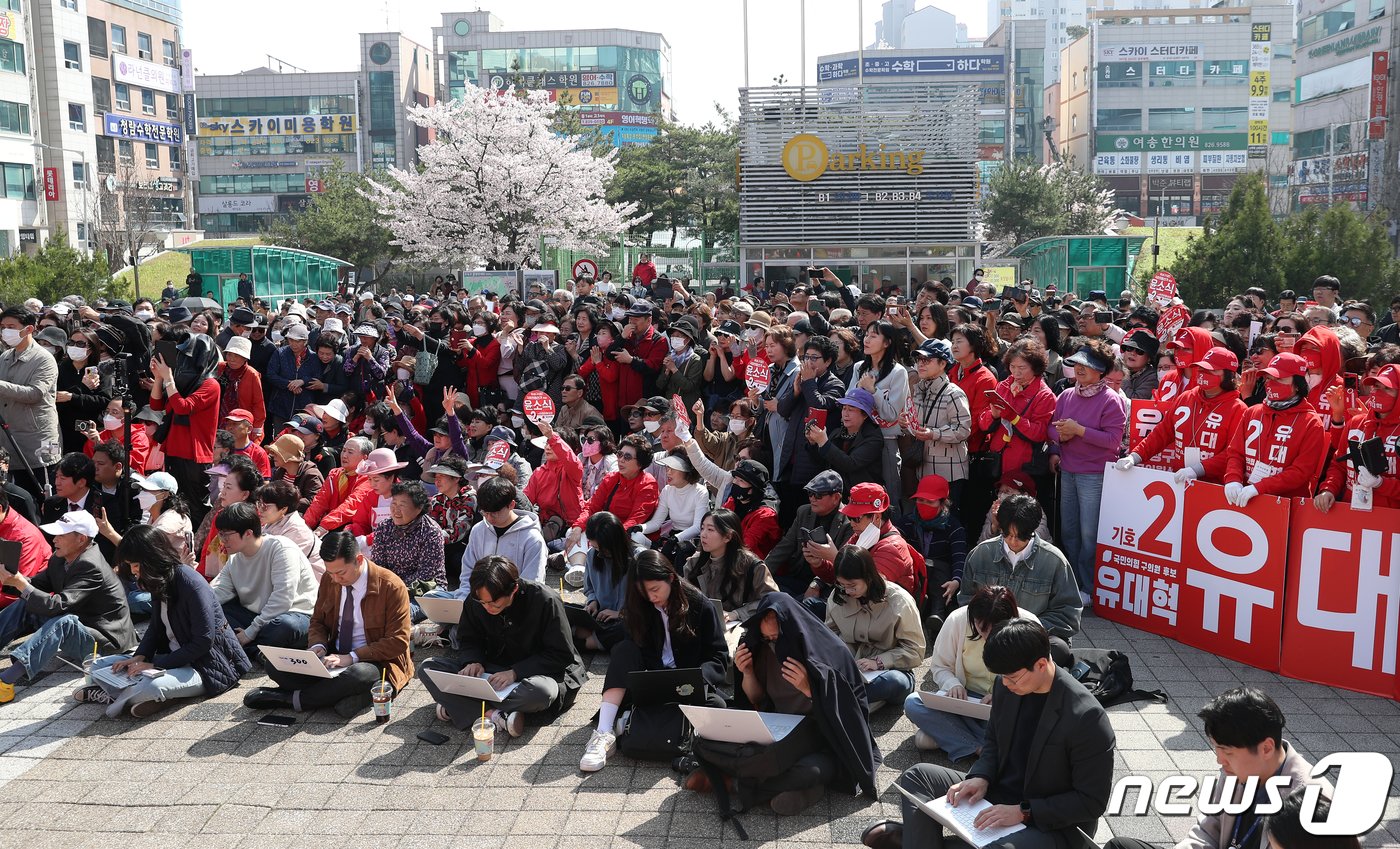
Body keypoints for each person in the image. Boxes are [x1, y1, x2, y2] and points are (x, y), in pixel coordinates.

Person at [862, 619, 1115, 849]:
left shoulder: (1086, 717)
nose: (1005, 684)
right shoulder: (1006, 685)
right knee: (918, 777)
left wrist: (1023, 811)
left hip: (1051, 824)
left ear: (1041, 664)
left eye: (1013, 677)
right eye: (1002, 677)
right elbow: (993, 742)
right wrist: (981, 776)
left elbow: (1091, 801)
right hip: (998, 791)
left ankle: (913, 841)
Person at [690, 593, 879, 816]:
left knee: (810, 771)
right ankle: (796, 791)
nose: (773, 646)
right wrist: (748, 673)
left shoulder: (830, 652)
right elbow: (755, 700)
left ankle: (734, 784)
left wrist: (810, 690)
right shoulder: (761, 650)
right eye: (767, 639)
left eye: (777, 638)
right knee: (705, 738)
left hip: (820, 736)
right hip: (776, 728)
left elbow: (849, 720)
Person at [1103, 687, 1328, 849]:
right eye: (1216, 749)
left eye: (1227, 752)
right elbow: (1207, 829)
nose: (1220, 761)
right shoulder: (1236, 770)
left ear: (1266, 748)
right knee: (1119, 846)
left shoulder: (1312, 802)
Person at [580, 549, 729, 773]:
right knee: (623, 650)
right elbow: (635, 647)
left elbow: (718, 656)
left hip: (688, 683)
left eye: (655, 589)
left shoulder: (699, 605)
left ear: (671, 578)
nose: (651, 597)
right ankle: (604, 731)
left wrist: (698, 678)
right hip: (650, 679)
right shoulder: (640, 605)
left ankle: (632, 720)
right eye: (644, 592)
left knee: (719, 707)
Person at [79, 525, 251, 717]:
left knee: (152, 684)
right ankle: (147, 695)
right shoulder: (160, 579)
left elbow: (203, 642)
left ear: (151, 558)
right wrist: (141, 656)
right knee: (98, 666)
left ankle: (131, 694)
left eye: (136, 565)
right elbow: (155, 626)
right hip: (170, 657)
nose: (134, 571)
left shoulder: (191, 584)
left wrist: (156, 665)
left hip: (203, 665)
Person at [243, 530, 413, 718]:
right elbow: (317, 621)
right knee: (275, 665)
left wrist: (351, 657)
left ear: (359, 559)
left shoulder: (391, 586)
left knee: (357, 675)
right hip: (333, 657)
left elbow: (398, 642)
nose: (336, 579)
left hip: (376, 662)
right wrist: (318, 646)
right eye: (330, 572)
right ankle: (343, 694)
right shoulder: (329, 579)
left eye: (341, 573)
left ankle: (289, 699)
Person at [419, 555, 585, 738]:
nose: (487, 608)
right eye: (482, 602)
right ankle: (495, 715)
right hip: (493, 670)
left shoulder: (545, 600)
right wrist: (473, 661)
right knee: (427, 668)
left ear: (513, 589)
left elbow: (561, 655)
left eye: (493, 603)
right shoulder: (476, 602)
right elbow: (468, 638)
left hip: (538, 675)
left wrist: (515, 672)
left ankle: (462, 703)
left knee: (541, 693)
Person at [0, 510, 135, 703]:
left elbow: (59, 605)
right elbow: (36, 587)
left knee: (65, 621)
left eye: (61, 535)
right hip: (80, 624)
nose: (54, 539)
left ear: (81, 539)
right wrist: (13, 581)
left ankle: (5, 682)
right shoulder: (60, 558)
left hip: (106, 642)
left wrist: (21, 584)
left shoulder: (90, 565)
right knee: (26, 602)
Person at [904, 585, 1039, 759]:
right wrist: (952, 684)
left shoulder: (1029, 625)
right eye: (982, 628)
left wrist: (1005, 694)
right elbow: (940, 666)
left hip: (1005, 706)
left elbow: (1038, 680)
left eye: (995, 629)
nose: (987, 636)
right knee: (913, 702)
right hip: (964, 700)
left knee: (924, 740)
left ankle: (952, 737)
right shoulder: (957, 620)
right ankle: (981, 748)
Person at [1048, 339, 1127, 603]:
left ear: (1101, 370)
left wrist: (1078, 430)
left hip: (1094, 474)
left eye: (1086, 365)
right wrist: (1058, 445)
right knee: (1069, 530)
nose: (1079, 369)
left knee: (1089, 533)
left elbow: (1112, 442)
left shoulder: (1112, 400)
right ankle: (1073, 584)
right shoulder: (1067, 394)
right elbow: (1052, 427)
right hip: (1068, 469)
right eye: (1078, 363)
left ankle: (1090, 588)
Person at [959, 494, 1082, 647]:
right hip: (986, 635)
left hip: (1030, 639)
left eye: (1020, 536)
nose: (1012, 541)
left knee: (1059, 647)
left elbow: (1068, 614)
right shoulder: (980, 554)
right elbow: (965, 600)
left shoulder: (1054, 561)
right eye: (1007, 534)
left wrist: (1025, 630)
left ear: (1033, 529)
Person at [1120, 346, 1247, 484]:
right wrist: (1135, 456)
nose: (1203, 373)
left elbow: (1233, 453)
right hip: (1179, 481)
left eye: (1211, 370)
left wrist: (1197, 469)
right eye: (1202, 368)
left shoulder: (1238, 409)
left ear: (1228, 375)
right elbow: (1162, 432)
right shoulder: (1186, 398)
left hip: (1214, 488)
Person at [823, 545, 925, 710]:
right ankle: (846, 701)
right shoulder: (837, 598)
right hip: (851, 668)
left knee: (894, 683)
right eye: (842, 585)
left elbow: (915, 651)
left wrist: (879, 662)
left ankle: (841, 701)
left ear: (868, 577)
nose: (847, 591)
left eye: (852, 585)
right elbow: (829, 638)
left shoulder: (899, 601)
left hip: (891, 670)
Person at [210, 502, 317, 656]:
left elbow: (282, 600)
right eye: (221, 534)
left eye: (226, 534)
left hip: (294, 613)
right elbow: (220, 591)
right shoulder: (234, 559)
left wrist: (250, 632)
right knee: (215, 611)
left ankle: (247, 648)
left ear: (248, 533)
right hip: (256, 616)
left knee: (285, 626)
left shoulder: (281, 549)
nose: (222, 540)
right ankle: (258, 651)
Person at [1223, 353, 1327, 505]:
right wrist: (1233, 478)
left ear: (1298, 384)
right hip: (1244, 498)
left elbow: (1301, 472)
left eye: (1279, 379)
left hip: (1285, 506)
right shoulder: (1252, 412)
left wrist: (1260, 487)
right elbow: (1235, 452)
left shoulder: (1311, 423)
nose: (1272, 383)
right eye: (1269, 378)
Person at [804, 483, 916, 621]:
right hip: (858, 610)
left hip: (882, 616)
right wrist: (819, 563)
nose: (852, 523)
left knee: (808, 608)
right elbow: (840, 579)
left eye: (856, 518)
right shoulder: (860, 535)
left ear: (876, 517)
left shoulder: (893, 547)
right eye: (850, 517)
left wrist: (835, 557)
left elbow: (870, 590)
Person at [150, 334, 222, 528]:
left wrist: (169, 379)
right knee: (176, 504)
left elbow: (184, 407)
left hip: (194, 456)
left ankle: (196, 549)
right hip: (173, 450)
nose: (182, 361)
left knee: (196, 507)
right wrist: (158, 379)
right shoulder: (180, 382)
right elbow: (156, 404)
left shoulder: (211, 384)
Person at [0, 307, 61, 503]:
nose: (5, 332)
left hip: (39, 441)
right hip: (8, 440)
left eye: (11, 327)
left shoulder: (44, 359)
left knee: (43, 495)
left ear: (29, 329)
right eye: (2, 327)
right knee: (15, 498)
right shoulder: (4, 357)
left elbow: (34, 394)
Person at [763, 469, 853, 598]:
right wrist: (761, 571)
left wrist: (816, 584)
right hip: (797, 576)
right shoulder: (804, 512)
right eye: (810, 493)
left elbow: (841, 564)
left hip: (825, 585)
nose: (812, 499)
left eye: (818, 495)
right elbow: (784, 547)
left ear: (836, 497)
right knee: (764, 590)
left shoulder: (849, 523)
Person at [682, 509, 779, 624]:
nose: (703, 534)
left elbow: (773, 600)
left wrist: (736, 614)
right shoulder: (694, 564)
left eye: (710, 529)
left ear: (728, 536)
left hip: (740, 626)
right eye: (702, 528)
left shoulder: (752, 566)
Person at [850, 321, 910, 506]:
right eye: (866, 334)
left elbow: (892, 414)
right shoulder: (859, 367)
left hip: (887, 441)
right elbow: (848, 401)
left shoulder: (898, 372)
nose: (867, 340)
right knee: (860, 491)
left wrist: (872, 390)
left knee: (889, 494)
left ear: (887, 343)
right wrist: (859, 389)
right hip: (861, 439)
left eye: (873, 336)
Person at [908, 339, 972, 507]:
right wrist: (905, 423)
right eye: (919, 360)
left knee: (949, 521)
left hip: (949, 473)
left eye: (926, 360)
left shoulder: (954, 393)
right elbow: (917, 425)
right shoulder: (919, 390)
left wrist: (933, 434)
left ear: (943, 363)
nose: (921, 364)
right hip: (924, 468)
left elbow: (963, 430)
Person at [458, 476, 546, 588]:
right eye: (485, 513)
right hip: (479, 601)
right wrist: (466, 599)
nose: (489, 518)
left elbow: (533, 583)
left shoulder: (532, 539)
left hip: (515, 602)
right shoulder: (478, 530)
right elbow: (467, 572)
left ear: (511, 505)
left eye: (494, 513)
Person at [370, 480, 447, 597]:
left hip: (423, 588)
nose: (396, 510)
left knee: (403, 611)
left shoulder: (431, 531)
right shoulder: (384, 527)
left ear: (419, 508)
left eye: (402, 505)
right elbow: (378, 566)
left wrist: (396, 587)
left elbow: (426, 573)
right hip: (389, 587)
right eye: (394, 503)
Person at [637, 451, 709, 562]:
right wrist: (640, 528)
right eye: (667, 468)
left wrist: (676, 539)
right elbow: (656, 523)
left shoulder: (700, 492)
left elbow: (697, 527)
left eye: (673, 468)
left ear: (686, 471)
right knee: (636, 537)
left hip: (693, 542)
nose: (668, 472)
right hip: (672, 537)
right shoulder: (667, 490)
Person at [810, 387, 886, 490]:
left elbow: (850, 464)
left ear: (865, 415)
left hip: (864, 495)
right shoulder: (837, 433)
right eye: (844, 408)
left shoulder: (873, 438)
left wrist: (824, 443)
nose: (846, 413)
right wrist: (814, 443)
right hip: (836, 494)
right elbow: (821, 462)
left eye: (851, 409)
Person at [522, 421, 584, 544]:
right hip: (545, 527)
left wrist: (552, 436)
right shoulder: (539, 472)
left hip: (573, 528)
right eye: (547, 442)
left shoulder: (572, 469)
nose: (548, 447)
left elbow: (570, 459)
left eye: (552, 443)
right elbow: (526, 501)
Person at [255, 481, 324, 578]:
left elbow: (280, 567)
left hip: (312, 584)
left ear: (283, 509)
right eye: (259, 503)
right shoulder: (273, 521)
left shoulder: (296, 530)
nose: (260, 509)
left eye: (265, 506)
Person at [304, 437, 373, 533]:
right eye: (344, 450)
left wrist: (323, 527)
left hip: (352, 528)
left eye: (350, 452)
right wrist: (305, 524)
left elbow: (350, 505)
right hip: (331, 524)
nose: (344, 455)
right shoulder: (335, 474)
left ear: (364, 457)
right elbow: (320, 501)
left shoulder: (368, 478)